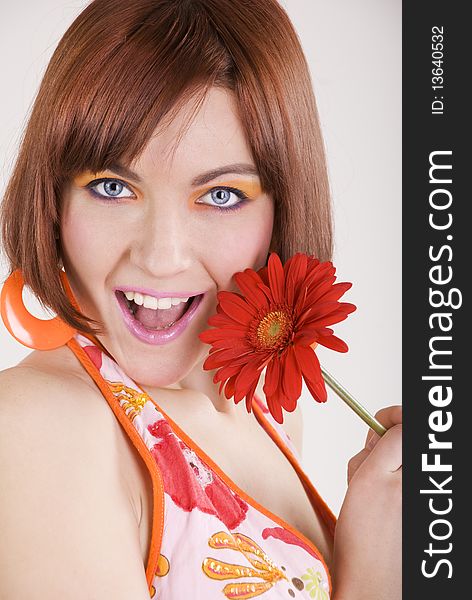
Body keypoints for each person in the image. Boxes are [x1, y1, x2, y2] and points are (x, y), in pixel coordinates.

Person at [0, 1, 401, 598]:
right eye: (112, 187)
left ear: (283, 207)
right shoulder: (38, 426)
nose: (162, 257)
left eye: (220, 196)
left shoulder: (259, 404)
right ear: (53, 199)